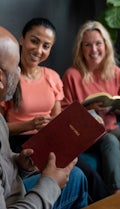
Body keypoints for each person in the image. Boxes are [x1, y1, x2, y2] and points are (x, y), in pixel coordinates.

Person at [0, 17, 110, 203]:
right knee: (79, 173)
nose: (38, 50)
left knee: (83, 172)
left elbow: (59, 119)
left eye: (46, 45)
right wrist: (30, 124)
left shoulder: (51, 76)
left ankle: (110, 201)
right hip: (22, 141)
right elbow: (5, 129)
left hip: (48, 139)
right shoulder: (10, 86)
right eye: (34, 41)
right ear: (22, 39)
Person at [61, 20, 120, 194]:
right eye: (87, 45)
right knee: (111, 142)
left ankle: (107, 193)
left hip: (110, 126)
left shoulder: (115, 72)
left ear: (106, 45)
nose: (94, 50)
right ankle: (115, 194)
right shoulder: (72, 75)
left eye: (98, 43)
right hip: (85, 131)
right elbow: (64, 113)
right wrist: (89, 109)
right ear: (81, 49)